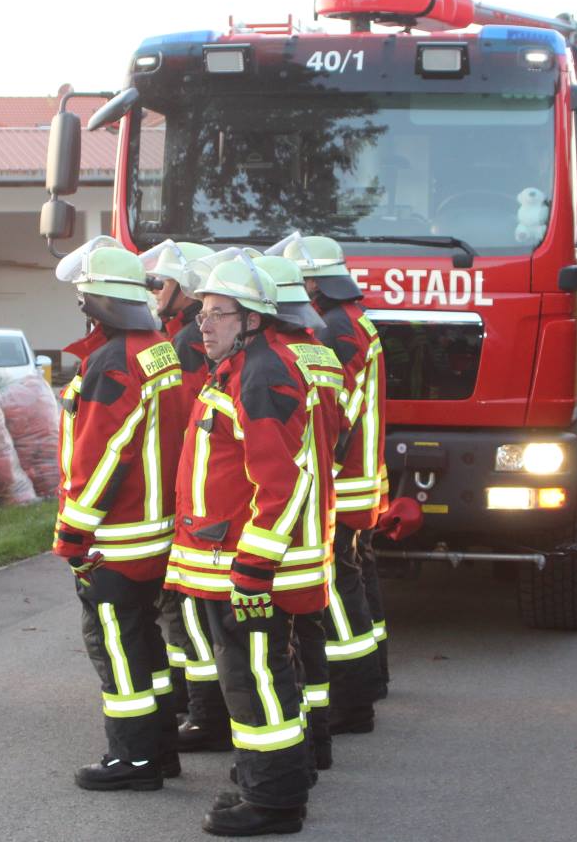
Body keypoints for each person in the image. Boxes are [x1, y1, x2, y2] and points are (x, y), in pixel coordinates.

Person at [167, 253, 326, 837]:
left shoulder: (262, 375)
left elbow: (281, 484)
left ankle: (274, 802)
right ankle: (270, 782)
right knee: (257, 677)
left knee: (255, 679)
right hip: (224, 560)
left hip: (244, 567)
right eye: (201, 312)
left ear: (252, 319)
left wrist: (255, 568)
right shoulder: (241, 369)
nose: (201, 324)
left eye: (216, 314)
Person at [52, 236, 190, 792]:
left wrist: (73, 531)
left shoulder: (114, 360)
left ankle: (133, 760)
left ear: (94, 302)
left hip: (117, 537)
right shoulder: (159, 347)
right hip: (157, 531)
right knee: (146, 642)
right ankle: (159, 749)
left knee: (116, 645)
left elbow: (104, 452)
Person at [277, 233, 389, 730]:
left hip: (340, 482)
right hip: (359, 478)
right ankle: (371, 678)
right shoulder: (354, 320)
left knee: (339, 587)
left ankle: (351, 699)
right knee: (357, 577)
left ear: (313, 283)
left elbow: (333, 414)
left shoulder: (338, 330)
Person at [252, 252, 343, 774]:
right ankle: (317, 744)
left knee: (280, 650)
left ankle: (299, 758)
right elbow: (342, 429)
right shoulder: (320, 355)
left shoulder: (276, 364)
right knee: (308, 639)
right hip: (315, 523)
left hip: (284, 530)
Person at [140, 240, 229, 748]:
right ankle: (191, 702)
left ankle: (203, 713)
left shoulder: (187, 343)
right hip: (194, 496)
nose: (155, 291)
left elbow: (179, 426)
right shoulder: (186, 335)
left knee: (186, 612)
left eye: (161, 282)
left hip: (192, 501)